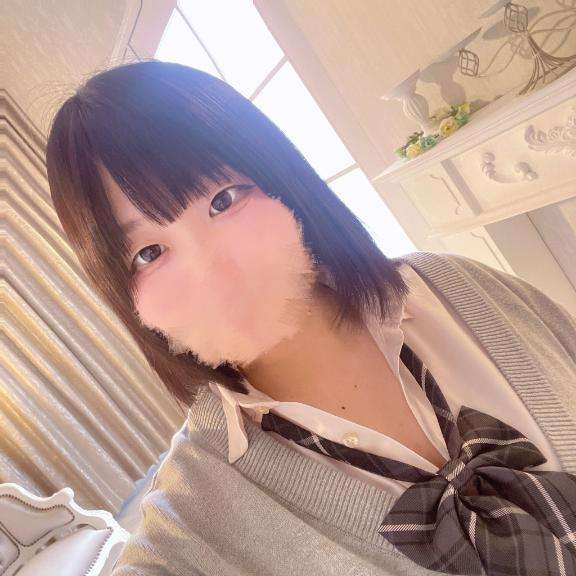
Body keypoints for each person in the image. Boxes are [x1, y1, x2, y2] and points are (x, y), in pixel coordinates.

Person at [45, 60, 576, 576]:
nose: (215, 272)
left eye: (223, 200)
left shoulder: (456, 285)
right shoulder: (198, 510)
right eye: (150, 253)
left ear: (282, 179)